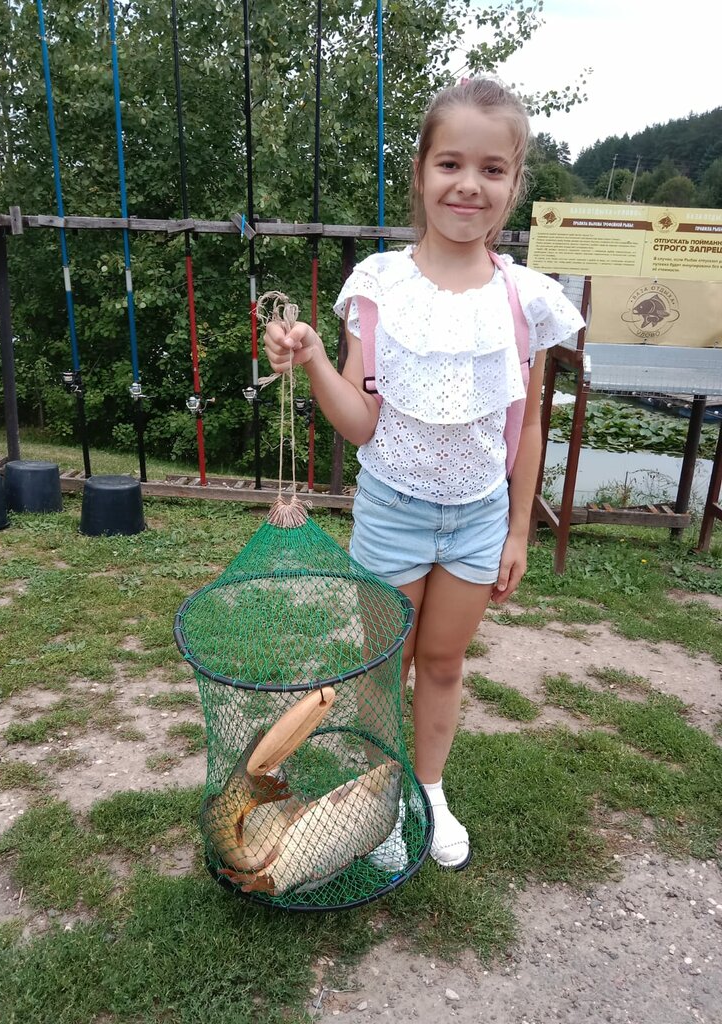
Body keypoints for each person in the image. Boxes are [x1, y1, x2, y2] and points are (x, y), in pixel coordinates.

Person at [264, 77, 585, 870]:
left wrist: (518, 530)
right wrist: (312, 360)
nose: (469, 184)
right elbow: (360, 420)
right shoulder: (379, 288)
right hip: (392, 512)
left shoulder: (527, 300)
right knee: (384, 668)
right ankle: (380, 795)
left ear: (514, 183)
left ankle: (429, 791)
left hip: (479, 520)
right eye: (450, 163)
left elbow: (528, 426)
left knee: (442, 663)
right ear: (420, 172)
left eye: (492, 169)